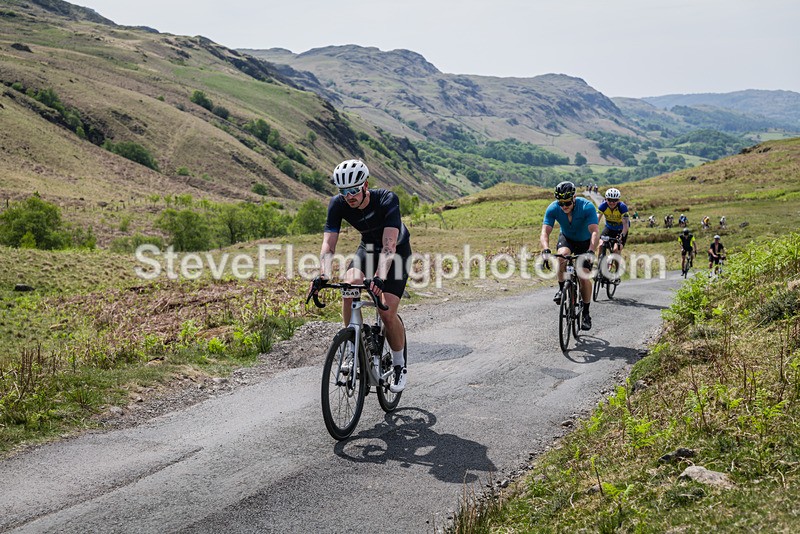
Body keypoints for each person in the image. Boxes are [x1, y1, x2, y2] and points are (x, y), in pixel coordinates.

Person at [310, 159, 411, 393]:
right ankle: (352, 347)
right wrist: (322, 274)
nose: (349, 196)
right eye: (344, 191)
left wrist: (379, 278)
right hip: (367, 249)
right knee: (349, 283)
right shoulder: (338, 204)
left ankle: (398, 365)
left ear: (365, 185)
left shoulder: (386, 199)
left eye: (354, 190)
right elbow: (329, 243)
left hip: (395, 253)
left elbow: (389, 247)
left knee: (386, 312)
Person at [540, 181, 599, 330]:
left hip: (585, 242)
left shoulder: (587, 207)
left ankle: (586, 313)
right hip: (567, 239)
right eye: (561, 203)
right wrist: (546, 250)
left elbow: (594, 231)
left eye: (567, 202)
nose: (564, 206)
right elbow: (545, 231)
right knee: (561, 257)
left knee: (583, 276)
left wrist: (591, 250)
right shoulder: (553, 208)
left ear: (574, 197)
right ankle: (561, 289)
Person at [596, 187, 629, 257]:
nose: (612, 203)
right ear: (605, 199)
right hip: (609, 228)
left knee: (616, 250)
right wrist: (594, 232)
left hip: (621, 229)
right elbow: (596, 221)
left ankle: (618, 268)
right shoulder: (603, 206)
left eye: (614, 200)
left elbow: (625, 225)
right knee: (601, 245)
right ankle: (600, 264)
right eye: (609, 200)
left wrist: (622, 235)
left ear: (618, 200)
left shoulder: (622, 207)